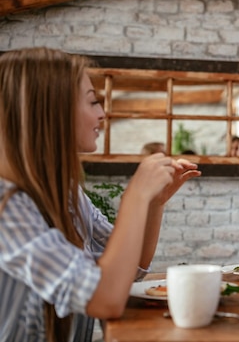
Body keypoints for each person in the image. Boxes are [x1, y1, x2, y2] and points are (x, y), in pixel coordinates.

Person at [0, 47, 201, 342]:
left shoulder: (68, 194)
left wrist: (153, 203)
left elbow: (128, 273)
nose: (102, 114)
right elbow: (105, 298)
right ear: (51, 111)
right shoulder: (7, 208)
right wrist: (135, 195)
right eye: (93, 101)